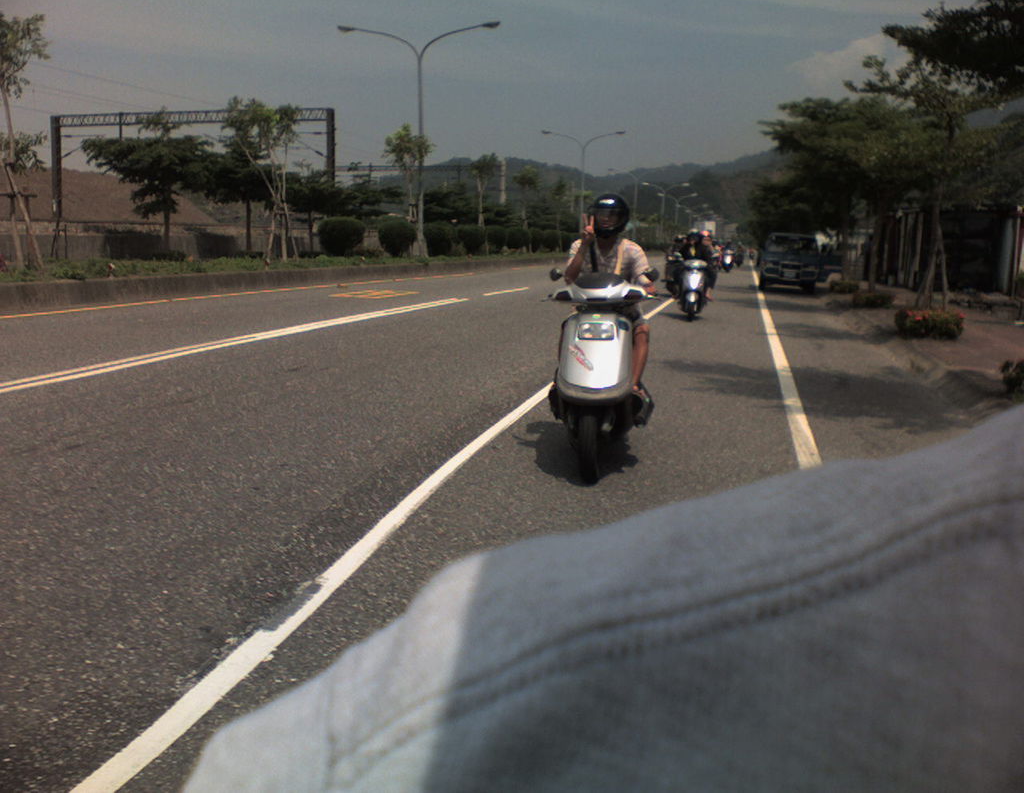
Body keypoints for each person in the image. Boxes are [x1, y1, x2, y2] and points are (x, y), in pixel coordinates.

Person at [185, 405, 1024, 792]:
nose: (609, 230)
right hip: (588, 325)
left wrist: (643, 286)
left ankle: (635, 391)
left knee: (635, 335)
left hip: (624, 326)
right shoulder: (587, 247)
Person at [563, 193, 655, 397]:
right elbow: (569, 277)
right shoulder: (579, 245)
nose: (606, 219)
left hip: (624, 310)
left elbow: (642, 275)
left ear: (621, 219)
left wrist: (648, 286)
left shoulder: (632, 249)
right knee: (567, 326)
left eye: (612, 215)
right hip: (587, 309)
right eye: (601, 214)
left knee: (642, 330)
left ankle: (634, 385)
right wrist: (585, 245)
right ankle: (563, 377)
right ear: (592, 217)